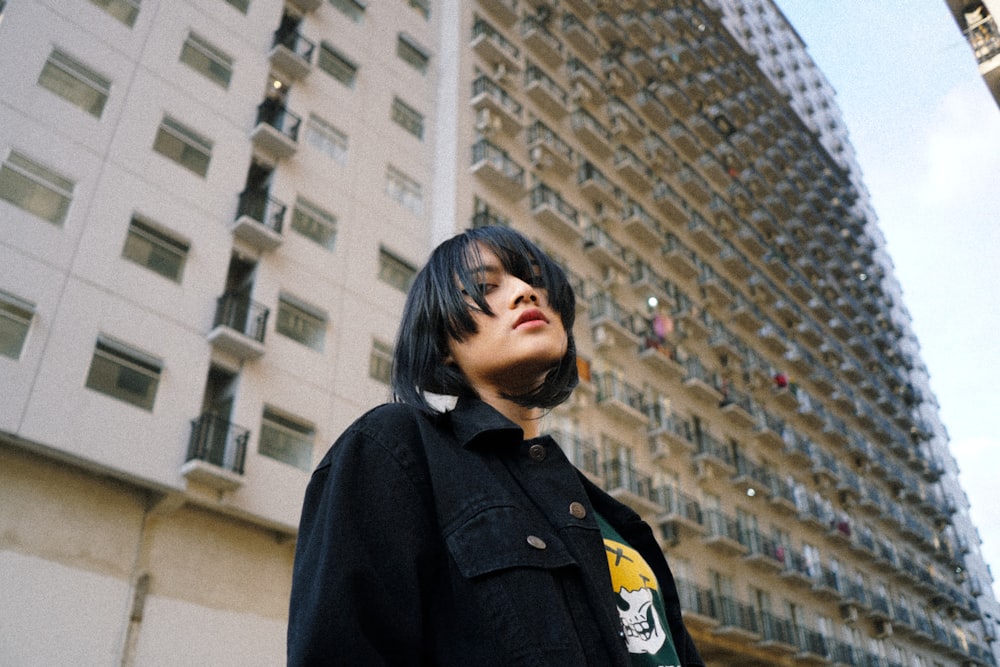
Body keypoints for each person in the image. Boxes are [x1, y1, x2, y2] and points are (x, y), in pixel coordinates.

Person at [287, 226, 704, 666]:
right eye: (486, 285)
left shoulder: (618, 521)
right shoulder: (396, 449)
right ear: (443, 341)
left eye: (538, 283)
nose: (526, 292)